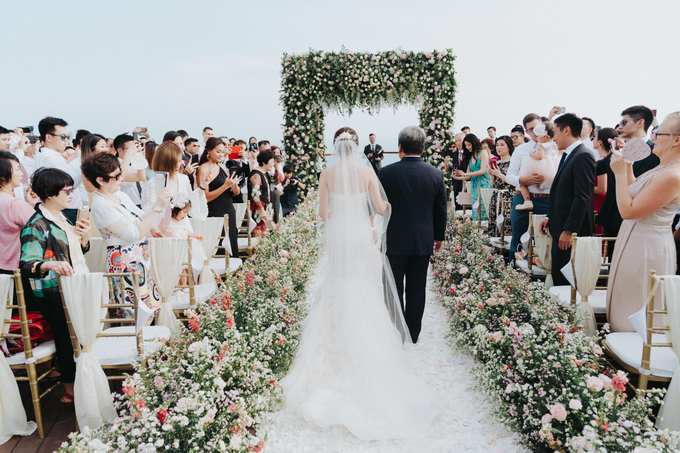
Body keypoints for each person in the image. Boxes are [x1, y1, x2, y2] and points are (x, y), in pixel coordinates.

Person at [281, 126, 444, 441]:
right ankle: (381, 335)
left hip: (340, 234)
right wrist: (375, 219)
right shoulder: (368, 172)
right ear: (356, 148)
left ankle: (336, 336)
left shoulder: (327, 175)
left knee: (338, 280)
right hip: (359, 234)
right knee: (363, 283)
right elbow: (382, 208)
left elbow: (323, 213)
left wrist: (343, 212)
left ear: (334, 148)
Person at [20, 168, 91, 409]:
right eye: (67, 191)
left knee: (79, 335)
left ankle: (80, 383)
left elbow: (74, 254)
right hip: (53, 292)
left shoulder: (62, 217)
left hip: (72, 286)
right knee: (68, 337)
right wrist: (50, 264)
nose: (71, 194)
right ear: (49, 193)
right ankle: (70, 389)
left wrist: (83, 239)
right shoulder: (36, 225)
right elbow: (27, 264)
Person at [606, 112, 680, 331]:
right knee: (623, 300)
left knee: (636, 307)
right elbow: (632, 193)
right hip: (633, 242)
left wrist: (619, 173)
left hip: (647, 249)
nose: (653, 137)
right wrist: (627, 165)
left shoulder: (673, 175)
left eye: (658, 133)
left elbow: (628, 210)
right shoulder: (661, 168)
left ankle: (633, 360)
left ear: (676, 139)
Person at [83, 153, 171, 321]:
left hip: (141, 258)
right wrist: (158, 206)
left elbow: (140, 216)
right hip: (124, 261)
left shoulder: (120, 195)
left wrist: (153, 227)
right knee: (134, 316)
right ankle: (135, 347)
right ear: (100, 180)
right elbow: (134, 234)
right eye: (116, 176)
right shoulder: (101, 205)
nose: (121, 178)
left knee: (149, 311)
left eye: (120, 173)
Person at [379, 126, 447, 343]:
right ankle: (413, 334)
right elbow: (440, 210)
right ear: (423, 148)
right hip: (422, 240)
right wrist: (439, 237)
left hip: (395, 239)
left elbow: (379, 206)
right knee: (417, 288)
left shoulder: (386, 172)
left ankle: (397, 331)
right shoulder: (436, 174)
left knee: (393, 287)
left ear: (399, 147)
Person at [539, 113, 596, 286]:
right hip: (560, 227)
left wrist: (570, 230)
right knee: (559, 276)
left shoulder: (582, 155)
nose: (553, 138)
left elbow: (582, 196)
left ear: (567, 130)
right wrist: (550, 217)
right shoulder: (569, 154)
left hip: (570, 233)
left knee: (566, 283)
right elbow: (562, 193)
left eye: (555, 133)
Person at [596, 106, 660, 240]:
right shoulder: (617, 150)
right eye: (620, 122)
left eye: (624, 122)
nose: (620, 126)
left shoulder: (656, 152)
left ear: (640, 123)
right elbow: (594, 169)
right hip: (613, 217)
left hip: (642, 219)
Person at [506, 114, 550, 260]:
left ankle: (540, 279)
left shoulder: (554, 146)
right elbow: (509, 176)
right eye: (530, 129)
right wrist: (522, 179)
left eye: (537, 127)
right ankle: (513, 277)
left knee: (545, 242)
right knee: (518, 240)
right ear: (526, 132)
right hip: (523, 198)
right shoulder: (521, 149)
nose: (534, 131)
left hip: (547, 200)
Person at [196, 137, 240, 256]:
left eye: (222, 151)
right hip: (215, 213)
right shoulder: (203, 169)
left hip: (229, 210)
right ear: (209, 151)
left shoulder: (222, 167)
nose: (221, 155)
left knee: (232, 242)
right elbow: (204, 198)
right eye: (218, 151)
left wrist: (235, 189)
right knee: (219, 247)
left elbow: (231, 191)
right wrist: (225, 186)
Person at [34, 117, 83, 224]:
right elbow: (70, 183)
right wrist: (84, 162)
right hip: (63, 208)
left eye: (68, 136)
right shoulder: (49, 158)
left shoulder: (54, 156)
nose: (66, 140)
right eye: (63, 137)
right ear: (49, 137)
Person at [515, 122, 559, 210]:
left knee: (522, 184)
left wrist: (531, 154)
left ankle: (527, 202)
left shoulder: (542, 145)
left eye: (538, 136)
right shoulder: (555, 144)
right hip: (552, 167)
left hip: (541, 166)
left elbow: (540, 157)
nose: (537, 138)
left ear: (545, 136)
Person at [453, 133, 491, 220]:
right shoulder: (470, 156)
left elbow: (482, 171)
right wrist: (458, 177)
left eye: (469, 145)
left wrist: (465, 174)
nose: (467, 147)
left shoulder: (483, 152)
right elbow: (467, 177)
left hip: (484, 183)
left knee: (483, 206)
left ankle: (485, 227)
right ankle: (477, 227)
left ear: (474, 143)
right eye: (466, 145)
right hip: (474, 184)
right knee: (475, 206)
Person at [487, 136, 515, 235]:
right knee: (494, 221)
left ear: (509, 147)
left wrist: (499, 174)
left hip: (508, 196)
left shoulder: (513, 162)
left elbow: (514, 182)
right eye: (497, 145)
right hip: (496, 196)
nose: (499, 147)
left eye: (502, 145)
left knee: (506, 222)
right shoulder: (497, 163)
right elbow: (493, 184)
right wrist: (491, 175)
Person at [113, 134, 150, 209]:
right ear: (119, 150)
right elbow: (123, 179)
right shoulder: (115, 165)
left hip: (142, 202)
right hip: (127, 204)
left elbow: (142, 178)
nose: (134, 150)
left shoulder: (135, 160)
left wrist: (138, 156)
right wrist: (130, 153)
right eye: (131, 148)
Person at [592, 128, 618, 235]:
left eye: (595, 137)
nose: (592, 139)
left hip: (599, 202)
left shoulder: (603, 161)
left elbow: (602, 189)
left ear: (600, 142)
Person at [248, 150, 275, 237]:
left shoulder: (265, 173)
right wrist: (262, 210)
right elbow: (255, 195)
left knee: (268, 236)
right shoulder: (257, 175)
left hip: (266, 210)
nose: (273, 164)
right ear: (264, 163)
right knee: (259, 238)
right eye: (272, 162)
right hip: (259, 212)